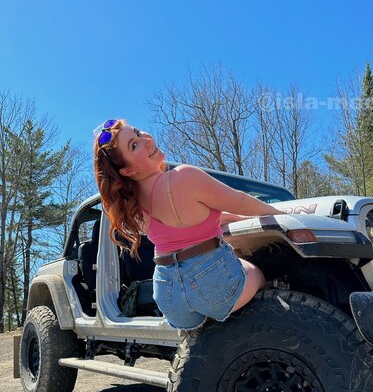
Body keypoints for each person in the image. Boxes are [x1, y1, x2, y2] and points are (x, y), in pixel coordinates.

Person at [93, 119, 282, 330]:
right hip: (213, 282)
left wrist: (233, 219)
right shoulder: (183, 177)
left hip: (167, 293)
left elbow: (187, 225)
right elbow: (240, 201)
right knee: (256, 272)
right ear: (127, 171)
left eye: (137, 132)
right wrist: (279, 214)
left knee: (197, 331)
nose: (145, 140)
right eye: (134, 145)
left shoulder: (134, 207)